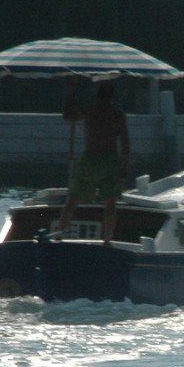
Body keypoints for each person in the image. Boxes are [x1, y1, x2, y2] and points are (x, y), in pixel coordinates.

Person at [57, 79, 130, 245]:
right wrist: (126, 166)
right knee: (110, 203)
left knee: (72, 200)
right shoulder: (118, 115)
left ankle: (59, 235)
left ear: (97, 95)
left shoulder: (90, 110)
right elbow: (125, 143)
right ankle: (106, 240)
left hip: (91, 158)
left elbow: (67, 115)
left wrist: (71, 93)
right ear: (113, 97)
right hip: (111, 160)